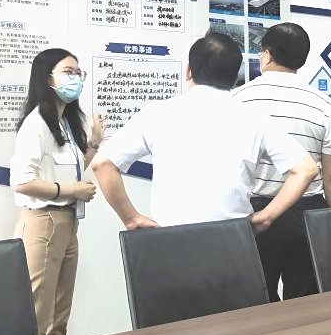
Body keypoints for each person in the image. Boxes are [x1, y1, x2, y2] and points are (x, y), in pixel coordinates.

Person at [92, 32, 318, 234]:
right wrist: (267, 217)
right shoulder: (255, 118)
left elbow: (102, 164)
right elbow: (306, 169)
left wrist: (131, 218)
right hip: (234, 240)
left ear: (188, 71)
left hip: (170, 239)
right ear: (234, 77)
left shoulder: (158, 113)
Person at [232, 23, 331, 301]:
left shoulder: (238, 99)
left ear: (267, 55)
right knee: (306, 301)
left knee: (257, 300)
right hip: (308, 213)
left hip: (255, 212)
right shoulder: (324, 104)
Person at [10, 48, 103, 335]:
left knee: (59, 317)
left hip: (67, 223)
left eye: (78, 73)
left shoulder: (64, 122)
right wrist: (70, 191)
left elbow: (71, 170)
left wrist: (94, 144)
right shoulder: (36, 123)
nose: (76, 79)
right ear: (47, 78)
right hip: (43, 223)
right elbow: (22, 182)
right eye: (68, 72)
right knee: (38, 318)